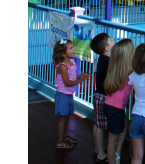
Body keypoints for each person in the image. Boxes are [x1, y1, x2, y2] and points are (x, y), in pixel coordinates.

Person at [53, 39, 91, 150]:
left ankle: (64, 137)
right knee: (63, 118)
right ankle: (60, 141)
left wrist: (81, 76)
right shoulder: (62, 66)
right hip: (63, 95)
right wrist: (80, 81)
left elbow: (73, 77)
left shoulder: (72, 62)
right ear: (63, 54)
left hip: (69, 95)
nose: (74, 49)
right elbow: (67, 82)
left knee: (67, 117)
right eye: (71, 48)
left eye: (73, 47)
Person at [104, 39, 136, 164]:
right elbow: (139, 67)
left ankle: (117, 153)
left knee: (126, 125)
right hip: (116, 109)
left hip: (111, 106)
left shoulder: (115, 66)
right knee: (112, 140)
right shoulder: (128, 69)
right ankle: (113, 159)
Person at [92, 33, 116, 163]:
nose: (113, 40)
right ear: (106, 48)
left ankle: (97, 149)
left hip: (98, 95)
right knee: (101, 126)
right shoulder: (107, 61)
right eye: (110, 40)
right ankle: (101, 154)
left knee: (97, 124)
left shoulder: (102, 59)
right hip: (103, 96)